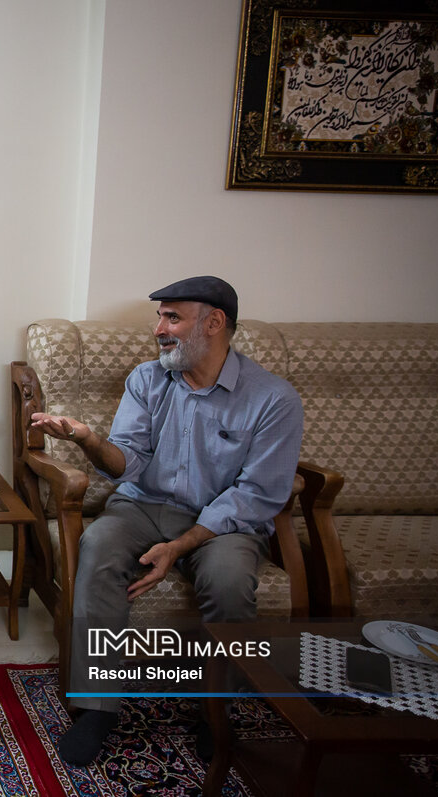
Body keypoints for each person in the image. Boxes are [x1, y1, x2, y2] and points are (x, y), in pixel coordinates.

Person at [30, 276, 303, 766]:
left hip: (221, 524)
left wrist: (180, 547)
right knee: (99, 547)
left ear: (214, 323)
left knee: (229, 582)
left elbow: (256, 494)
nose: (158, 329)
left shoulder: (273, 399)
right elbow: (129, 462)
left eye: (172, 317)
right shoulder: (147, 379)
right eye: (159, 317)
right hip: (142, 506)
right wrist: (89, 440)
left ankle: (215, 711)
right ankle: (97, 706)